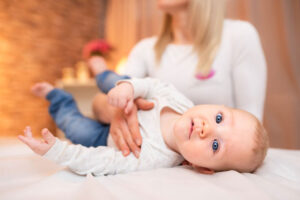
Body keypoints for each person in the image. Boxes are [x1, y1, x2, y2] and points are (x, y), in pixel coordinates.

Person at [88, 0, 267, 158]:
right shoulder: (145, 49)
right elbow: (97, 102)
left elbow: (252, 120)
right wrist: (118, 112)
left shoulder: (239, 36)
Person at [18, 77, 268, 176]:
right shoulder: (181, 102)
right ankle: (102, 71)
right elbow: (154, 86)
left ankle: (58, 98)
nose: (207, 129)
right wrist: (129, 88)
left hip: (103, 138)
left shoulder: (153, 158)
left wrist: (55, 151)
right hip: (119, 102)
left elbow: (104, 161)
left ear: (202, 167)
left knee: (75, 127)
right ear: (217, 105)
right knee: (117, 78)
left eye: (215, 145)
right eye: (219, 118)